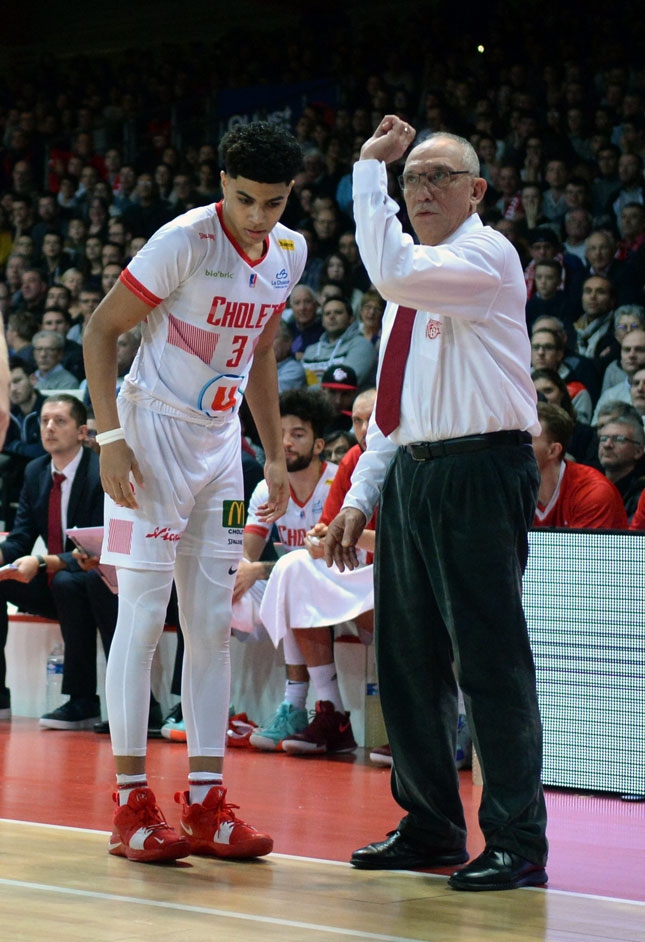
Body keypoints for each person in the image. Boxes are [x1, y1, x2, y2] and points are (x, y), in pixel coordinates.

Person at [324, 116, 548, 891]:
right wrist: (361, 494)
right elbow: (394, 404)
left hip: (482, 469)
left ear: (476, 191)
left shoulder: (482, 256)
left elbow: (386, 270)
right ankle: (428, 825)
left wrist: (367, 170)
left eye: (436, 177)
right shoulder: (412, 283)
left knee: (489, 663)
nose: (420, 189)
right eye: (411, 177)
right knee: (407, 661)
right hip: (416, 472)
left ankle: (517, 841)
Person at [82, 121, 306, 865]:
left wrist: (274, 454)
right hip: (148, 441)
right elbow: (99, 330)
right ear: (221, 183)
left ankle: (207, 804)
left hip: (223, 454)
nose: (257, 216)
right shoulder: (182, 240)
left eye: (272, 202)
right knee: (144, 619)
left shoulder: (288, 253)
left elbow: (263, 351)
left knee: (214, 620)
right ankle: (130, 807)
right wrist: (110, 440)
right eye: (244, 199)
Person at [256, 388, 377, 756]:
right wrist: (318, 540)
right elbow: (327, 532)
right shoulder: (353, 459)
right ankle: (325, 709)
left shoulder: (411, 456)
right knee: (293, 567)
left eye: (372, 418)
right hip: (355, 573)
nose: (364, 428)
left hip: (397, 573)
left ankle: (434, 725)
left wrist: (343, 537)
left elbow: (410, 544)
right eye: (357, 420)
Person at [229, 388, 338, 748]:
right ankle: (214, 705)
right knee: (218, 593)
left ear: (319, 445)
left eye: (298, 434)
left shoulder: (338, 483)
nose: (286, 443)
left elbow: (337, 558)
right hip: (290, 583)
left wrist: (259, 570)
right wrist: (244, 573)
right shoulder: (267, 488)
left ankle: (298, 704)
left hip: (342, 584)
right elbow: (246, 554)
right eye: (281, 434)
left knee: (293, 582)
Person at [0, 395, 118, 726]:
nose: (49, 427)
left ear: (82, 432)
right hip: (57, 578)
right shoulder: (35, 471)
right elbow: (21, 538)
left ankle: (83, 701)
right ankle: (0, 696)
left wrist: (41, 562)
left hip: (97, 577)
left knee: (70, 582)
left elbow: (101, 544)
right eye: (44, 421)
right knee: (1, 580)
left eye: (60, 421)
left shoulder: (100, 472)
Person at [532, 402, 628, 528]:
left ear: (553, 450)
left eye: (525, 440)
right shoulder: (510, 488)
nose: (513, 448)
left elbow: (584, 548)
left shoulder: (594, 493)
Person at [0, 357, 47, 528]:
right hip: (17, 481)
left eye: (17, 381)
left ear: (33, 379)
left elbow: (45, 450)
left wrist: (16, 447)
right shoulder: (9, 413)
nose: (12, 389)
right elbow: (3, 446)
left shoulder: (48, 408)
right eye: (7, 385)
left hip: (46, 476)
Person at [301, 295, 377, 385]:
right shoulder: (310, 351)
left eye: (338, 312)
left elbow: (343, 383)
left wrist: (304, 394)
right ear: (322, 321)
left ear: (351, 319)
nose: (332, 317)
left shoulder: (362, 346)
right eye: (327, 313)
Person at [596, 412, 645, 521]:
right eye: (604, 438)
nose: (607, 444)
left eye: (619, 439)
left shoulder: (641, 494)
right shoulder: (589, 484)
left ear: (638, 451)